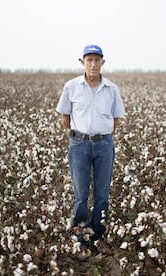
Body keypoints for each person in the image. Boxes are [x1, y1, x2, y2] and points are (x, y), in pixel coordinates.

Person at [56, 44, 125, 259]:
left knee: (102, 193)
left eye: (97, 60)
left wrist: (101, 136)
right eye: (89, 60)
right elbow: (65, 119)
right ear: (82, 62)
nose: (93, 64)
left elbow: (115, 121)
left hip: (104, 144)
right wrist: (83, 135)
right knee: (81, 193)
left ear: (102, 63)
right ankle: (79, 234)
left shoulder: (112, 89)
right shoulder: (71, 86)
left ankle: (98, 234)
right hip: (79, 144)